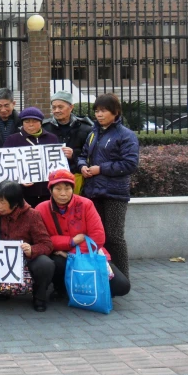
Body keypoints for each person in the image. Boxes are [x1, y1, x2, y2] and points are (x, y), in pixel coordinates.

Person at [36, 170, 131, 301]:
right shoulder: (41, 209)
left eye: (67, 188)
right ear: (50, 190)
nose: (63, 193)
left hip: (89, 255)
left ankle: (91, 289)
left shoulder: (86, 204)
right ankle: (61, 289)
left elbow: (98, 236)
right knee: (56, 262)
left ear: (73, 189)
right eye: (58, 189)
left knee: (122, 287)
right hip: (59, 255)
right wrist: (70, 241)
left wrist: (72, 254)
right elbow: (42, 239)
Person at [77, 93, 139, 279]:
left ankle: (122, 277)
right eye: (97, 111)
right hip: (92, 193)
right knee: (96, 236)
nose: (99, 114)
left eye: (104, 110)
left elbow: (130, 164)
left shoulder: (126, 135)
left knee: (114, 236)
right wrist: (82, 166)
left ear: (116, 112)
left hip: (114, 194)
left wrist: (100, 169)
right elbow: (83, 154)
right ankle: (104, 273)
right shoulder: (93, 133)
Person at [0, 181, 55, 312]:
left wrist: (32, 250)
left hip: (25, 261)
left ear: (15, 203)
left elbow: (46, 244)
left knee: (45, 264)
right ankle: (3, 292)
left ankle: (39, 297)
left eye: (2, 202)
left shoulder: (32, 215)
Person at [3, 107, 61, 207]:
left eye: (34, 121)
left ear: (41, 122)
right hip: (23, 193)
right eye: (27, 121)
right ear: (22, 123)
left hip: (47, 191)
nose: (30, 124)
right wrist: (19, 179)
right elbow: (5, 164)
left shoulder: (52, 138)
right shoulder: (12, 140)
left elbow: (58, 162)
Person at [43, 91, 94, 184]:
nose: (56, 110)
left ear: (71, 107)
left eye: (60, 107)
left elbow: (92, 155)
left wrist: (74, 155)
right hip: (50, 179)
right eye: (54, 107)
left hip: (77, 178)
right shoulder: (44, 128)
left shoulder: (86, 129)